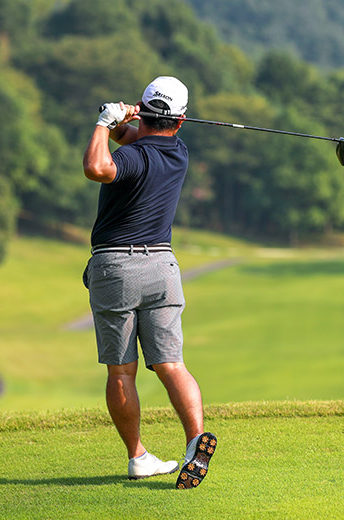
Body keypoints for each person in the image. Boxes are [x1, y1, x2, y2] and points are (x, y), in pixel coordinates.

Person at [82, 76, 217, 489]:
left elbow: (97, 167)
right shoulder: (179, 153)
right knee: (171, 363)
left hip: (115, 269)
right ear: (181, 121)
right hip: (162, 268)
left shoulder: (130, 157)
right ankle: (195, 440)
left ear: (143, 109)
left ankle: (138, 456)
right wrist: (121, 122)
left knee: (122, 372)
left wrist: (105, 122)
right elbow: (136, 138)